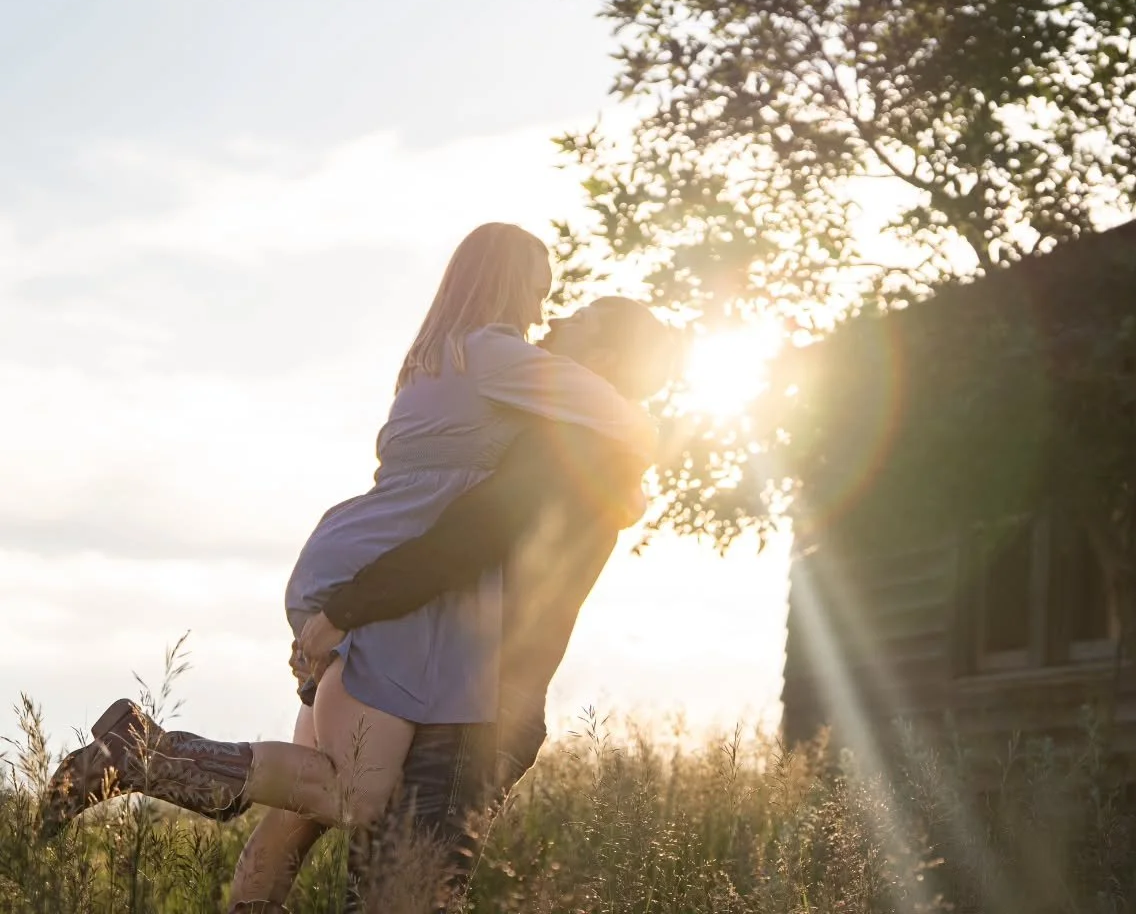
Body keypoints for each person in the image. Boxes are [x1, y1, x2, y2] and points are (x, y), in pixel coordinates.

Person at [41, 225, 668, 870]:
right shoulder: (498, 357)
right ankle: (143, 754)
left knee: (317, 789)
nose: (546, 310)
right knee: (354, 793)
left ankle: (149, 764)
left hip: (355, 550)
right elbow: (628, 422)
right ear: (509, 284)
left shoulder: (436, 355)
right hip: (390, 576)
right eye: (540, 291)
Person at [230, 416, 649, 912]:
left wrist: (337, 617)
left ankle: (155, 756)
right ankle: (155, 755)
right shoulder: (538, 431)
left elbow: (455, 545)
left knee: (315, 821)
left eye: (567, 332)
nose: (548, 333)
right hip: (431, 680)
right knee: (386, 882)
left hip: (445, 683)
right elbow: (449, 546)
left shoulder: (561, 440)